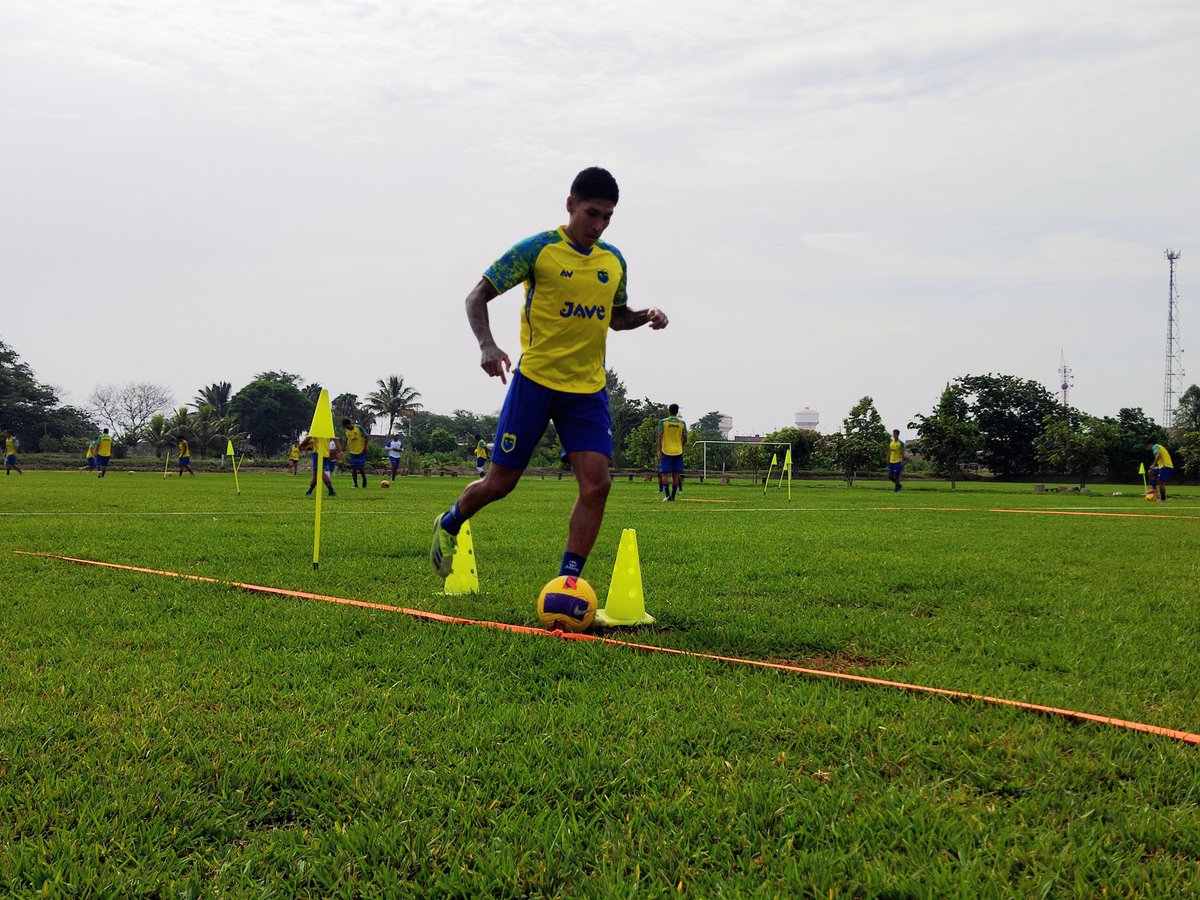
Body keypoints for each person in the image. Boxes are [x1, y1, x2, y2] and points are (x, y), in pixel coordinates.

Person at [430, 166, 669, 583]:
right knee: (500, 483)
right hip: (536, 383)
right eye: (592, 213)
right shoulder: (537, 250)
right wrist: (487, 345)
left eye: (607, 217)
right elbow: (477, 296)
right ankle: (450, 522)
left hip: (587, 390)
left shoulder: (613, 262)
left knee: (597, 486)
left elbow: (616, 319)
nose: (598, 225)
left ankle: (568, 582)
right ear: (570, 204)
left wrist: (644, 316)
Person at [657, 404, 687, 501]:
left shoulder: (663, 422)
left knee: (664, 474)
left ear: (669, 411)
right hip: (678, 451)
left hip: (666, 451)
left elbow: (660, 436)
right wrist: (680, 445)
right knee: (676, 475)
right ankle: (673, 496)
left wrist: (658, 449)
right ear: (677, 411)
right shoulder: (682, 423)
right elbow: (685, 437)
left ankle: (666, 495)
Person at [342, 418, 370, 488]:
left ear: (350, 423)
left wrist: (365, 447)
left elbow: (366, 436)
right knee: (354, 467)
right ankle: (355, 484)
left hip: (361, 451)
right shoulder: (346, 432)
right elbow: (345, 442)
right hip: (353, 452)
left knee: (360, 467)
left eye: (347, 426)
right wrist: (341, 451)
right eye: (345, 427)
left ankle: (364, 479)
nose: (347, 428)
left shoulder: (358, 428)